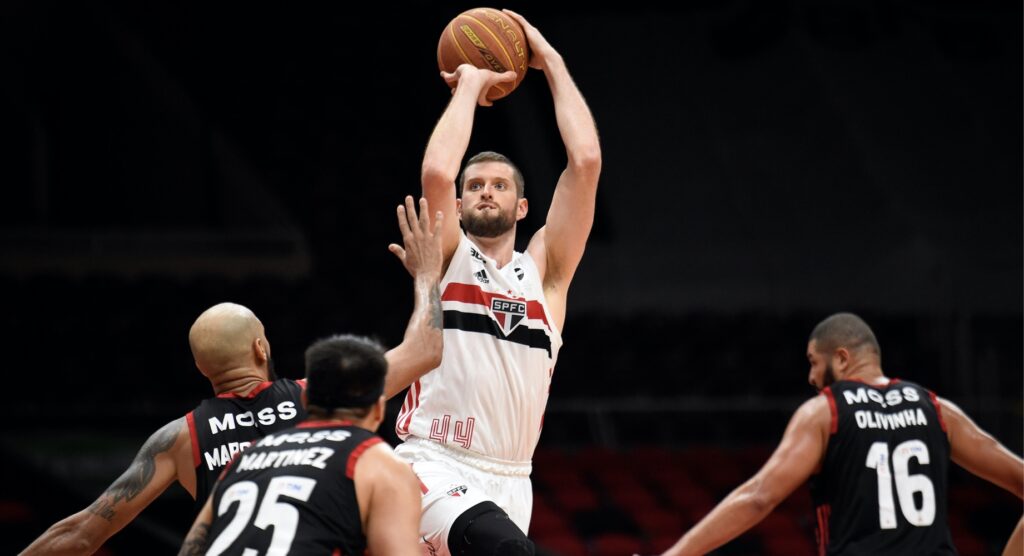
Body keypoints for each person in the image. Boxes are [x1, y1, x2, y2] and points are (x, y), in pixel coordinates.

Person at [20, 196, 444, 555]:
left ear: (202, 369)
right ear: (262, 348)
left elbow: (80, 534)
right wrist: (427, 274)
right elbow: (424, 350)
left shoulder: (180, 437)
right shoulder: (319, 397)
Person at [391, 9, 601, 556]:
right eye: (476, 185)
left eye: (500, 185)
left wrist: (549, 60)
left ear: (523, 205)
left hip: (513, 478)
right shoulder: (449, 256)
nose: (486, 191)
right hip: (433, 462)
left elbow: (586, 162)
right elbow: (437, 173)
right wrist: (471, 85)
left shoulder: (546, 276)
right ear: (459, 207)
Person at [659, 312, 1024, 556]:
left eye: (815, 362)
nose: (812, 377)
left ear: (843, 358)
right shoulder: (937, 409)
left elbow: (758, 497)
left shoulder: (826, 411)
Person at [178, 334, 421, 556]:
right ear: (379, 410)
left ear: (304, 399)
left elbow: (191, 548)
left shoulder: (244, 456)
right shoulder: (376, 460)